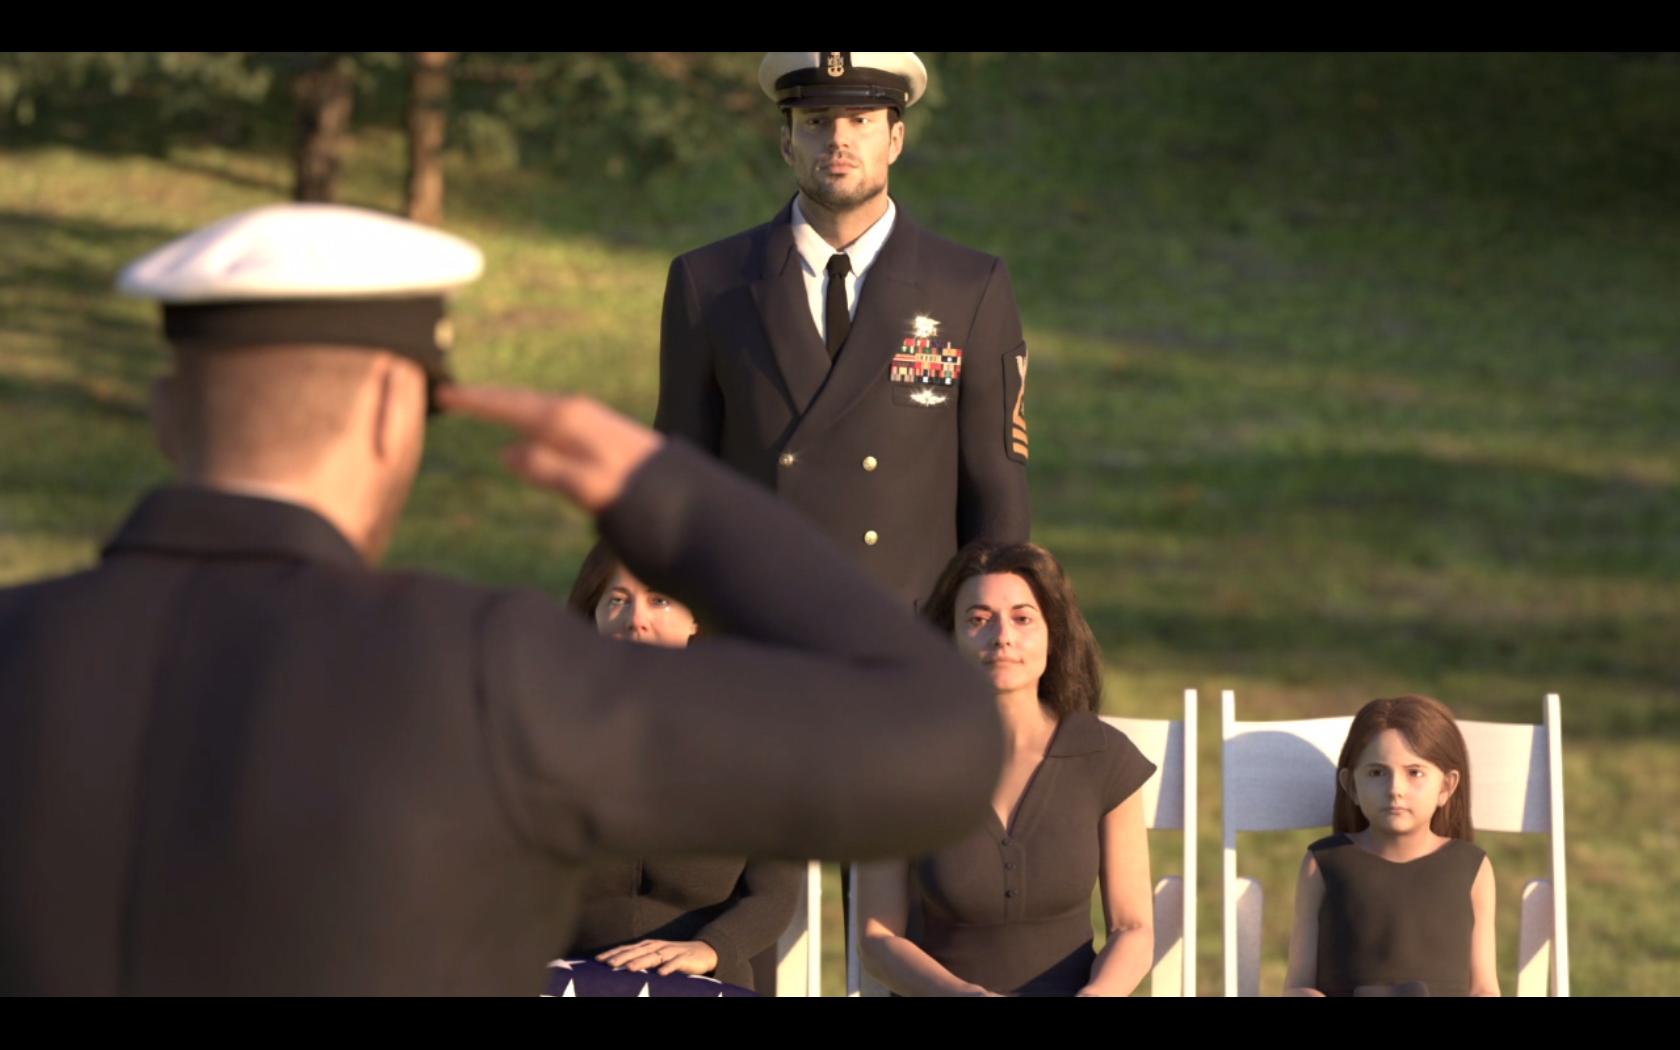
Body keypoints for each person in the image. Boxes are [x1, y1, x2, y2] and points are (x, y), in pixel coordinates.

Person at [0, 203, 1001, 995]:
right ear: (394, 414)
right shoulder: (475, 671)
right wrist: (681, 504)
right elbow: (941, 742)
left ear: (165, 414)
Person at [655, 52, 1032, 609]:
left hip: (908, 632)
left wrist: (984, 630)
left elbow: (997, 493)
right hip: (760, 627)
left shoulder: (968, 286)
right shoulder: (710, 282)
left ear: (896, 139)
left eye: (861, 120)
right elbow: (680, 482)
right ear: (786, 142)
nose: (839, 140)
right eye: (816, 122)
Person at [856, 541, 1156, 996]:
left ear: (1053, 633)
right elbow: (877, 939)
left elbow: (1133, 927)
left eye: (1022, 618)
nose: (1002, 637)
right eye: (978, 620)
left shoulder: (1103, 758)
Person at [562, 544, 800, 994]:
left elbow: (775, 894)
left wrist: (711, 948)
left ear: (696, 618)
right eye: (617, 600)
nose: (635, 619)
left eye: (660, 600)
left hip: (701, 981)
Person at [1283, 695, 1499, 997]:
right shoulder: (1323, 863)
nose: (1395, 789)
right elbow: (1296, 987)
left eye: (1415, 772)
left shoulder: (1472, 867)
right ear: (1351, 785)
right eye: (1376, 773)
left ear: (1446, 786)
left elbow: (1484, 988)